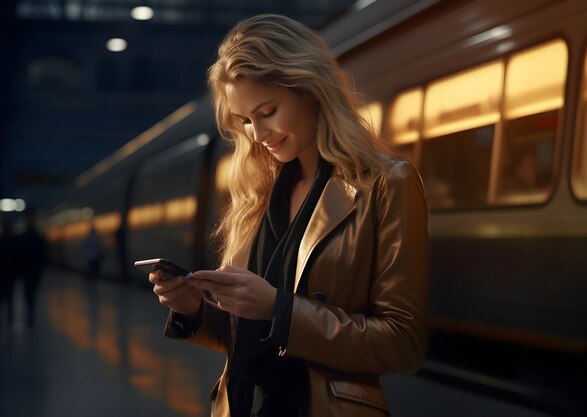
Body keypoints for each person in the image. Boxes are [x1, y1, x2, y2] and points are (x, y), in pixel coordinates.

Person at [149, 14, 429, 417]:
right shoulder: (257, 196)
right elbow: (246, 335)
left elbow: (404, 344)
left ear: (311, 90)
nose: (257, 134)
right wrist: (191, 310)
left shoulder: (386, 184)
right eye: (244, 120)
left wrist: (280, 310)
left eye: (268, 111)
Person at [16, 211, 47, 327]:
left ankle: (30, 313)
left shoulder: (23, 237)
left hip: (27, 272)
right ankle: (30, 314)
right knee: (31, 294)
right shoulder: (38, 237)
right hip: (33, 272)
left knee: (28, 293)